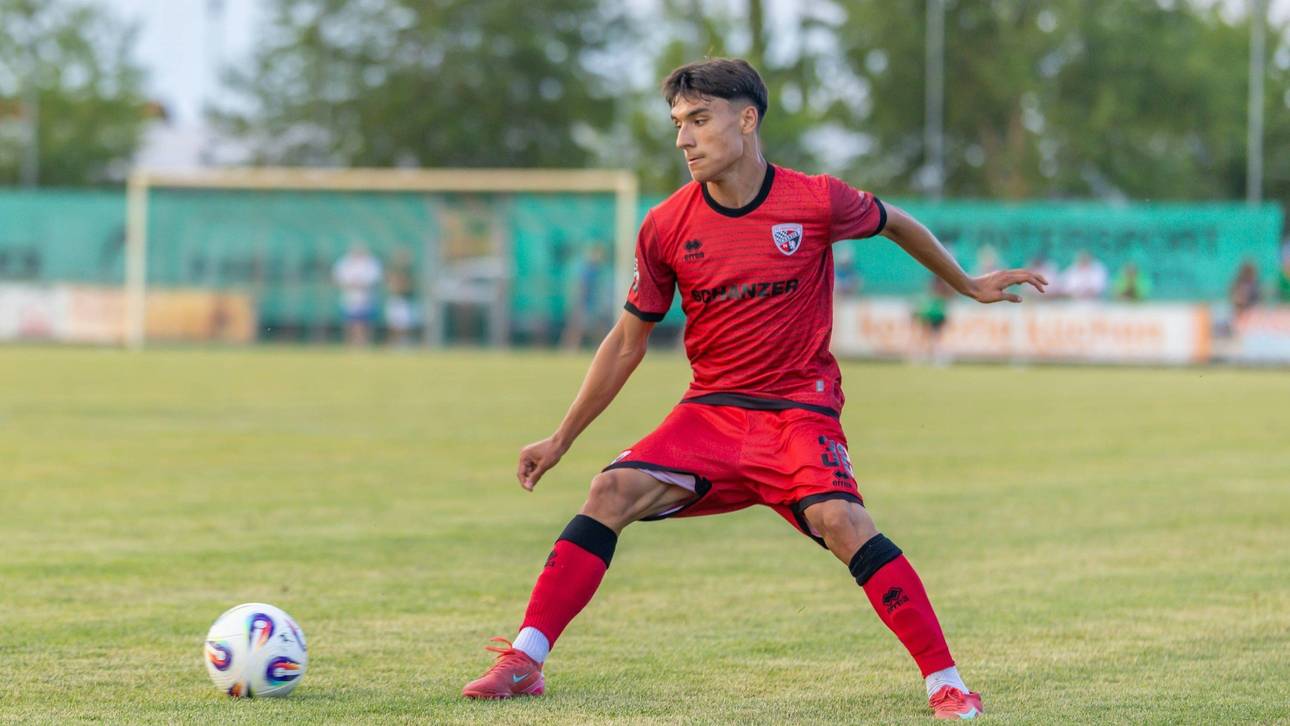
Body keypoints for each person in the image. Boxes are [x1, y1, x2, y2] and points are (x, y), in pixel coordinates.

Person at [461, 58, 1046, 720]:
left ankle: (945, 681)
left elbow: (897, 222)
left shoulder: (815, 200)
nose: (684, 139)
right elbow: (627, 341)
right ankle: (525, 660)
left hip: (799, 412)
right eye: (678, 124)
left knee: (842, 520)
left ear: (747, 119)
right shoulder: (665, 227)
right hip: (709, 417)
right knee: (609, 490)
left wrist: (966, 283)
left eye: (699, 121)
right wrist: (561, 437)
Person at [332, 243, 383, 346]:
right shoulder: (344, 262)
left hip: (367, 297)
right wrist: (350, 285)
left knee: (365, 321)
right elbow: (338, 279)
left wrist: (362, 284)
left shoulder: (371, 263)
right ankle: (351, 342)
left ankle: (364, 342)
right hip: (350, 297)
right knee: (351, 321)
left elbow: (375, 279)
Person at [384, 248, 418, 347]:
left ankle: (404, 342)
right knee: (393, 324)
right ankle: (394, 343)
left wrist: (400, 287)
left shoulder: (410, 271)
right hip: (395, 299)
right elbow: (390, 285)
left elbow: (409, 286)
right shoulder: (393, 270)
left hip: (405, 300)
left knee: (405, 324)